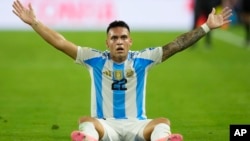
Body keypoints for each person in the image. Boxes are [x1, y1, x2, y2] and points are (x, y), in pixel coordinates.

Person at [12, 0, 232, 141]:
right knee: (87, 121)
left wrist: (205, 27)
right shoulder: (94, 59)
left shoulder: (143, 59)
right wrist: (35, 23)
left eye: (123, 37)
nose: (119, 41)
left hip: (138, 125)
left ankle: (164, 139)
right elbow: (60, 42)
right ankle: (87, 138)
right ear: (107, 42)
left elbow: (176, 45)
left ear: (130, 41)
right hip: (105, 126)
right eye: (114, 38)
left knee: (163, 122)